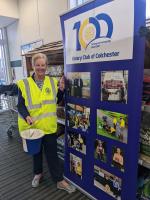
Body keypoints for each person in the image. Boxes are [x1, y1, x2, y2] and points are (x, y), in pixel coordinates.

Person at [17, 53, 76, 193]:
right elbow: (20, 105)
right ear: (33, 66)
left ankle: (59, 180)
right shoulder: (24, 84)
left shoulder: (52, 81)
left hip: (49, 127)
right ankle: (38, 174)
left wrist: (61, 89)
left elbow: (57, 99)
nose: (40, 68)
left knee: (52, 154)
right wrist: (26, 116)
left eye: (43, 65)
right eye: (38, 65)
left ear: (46, 66)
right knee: (36, 153)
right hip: (34, 127)